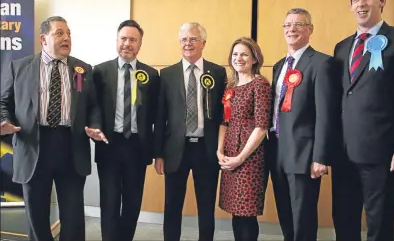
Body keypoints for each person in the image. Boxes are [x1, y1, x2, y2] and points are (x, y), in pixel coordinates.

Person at [0, 16, 107, 241]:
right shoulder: (20, 67)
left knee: (73, 215)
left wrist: (95, 126)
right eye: (59, 33)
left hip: (71, 146)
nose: (66, 38)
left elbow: (93, 105)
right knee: (37, 215)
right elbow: (3, 101)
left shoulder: (82, 69)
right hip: (33, 146)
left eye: (68, 33)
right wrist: (4, 121)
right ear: (43, 39)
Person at [332, 0, 394, 241]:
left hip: (380, 152)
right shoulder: (341, 47)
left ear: (382, 1)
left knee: (379, 221)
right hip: (343, 152)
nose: (362, 3)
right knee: (344, 219)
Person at [265, 8, 337, 241]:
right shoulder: (279, 65)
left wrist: (320, 157)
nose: (292, 29)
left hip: (304, 154)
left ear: (310, 29)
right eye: (287, 25)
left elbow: (326, 114)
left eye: (298, 24)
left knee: (302, 217)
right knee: (285, 213)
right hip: (276, 150)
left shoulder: (322, 63)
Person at [154, 22, 226, 241]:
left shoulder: (218, 72)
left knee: (206, 206)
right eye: (184, 39)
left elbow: (224, 114)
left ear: (203, 42)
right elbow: (160, 117)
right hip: (176, 149)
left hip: (207, 149)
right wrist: (158, 154)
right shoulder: (166, 74)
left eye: (193, 39)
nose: (188, 43)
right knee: (172, 205)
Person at [92, 20, 159, 241]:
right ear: (116, 40)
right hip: (109, 145)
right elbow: (92, 107)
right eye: (123, 39)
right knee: (109, 202)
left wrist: (157, 151)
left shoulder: (151, 74)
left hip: (137, 148)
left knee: (132, 203)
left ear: (140, 44)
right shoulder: (100, 71)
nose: (127, 44)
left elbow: (157, 115)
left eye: (133, 40)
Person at [218, 37, 271, 241]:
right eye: (235, 54)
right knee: (235, 210)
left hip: (250, 157)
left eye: (244, 54)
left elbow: (261, 126)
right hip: (230, 153)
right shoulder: (231, 86)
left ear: (255, 59)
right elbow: (224, 122)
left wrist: (240, 157)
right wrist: (219, 151)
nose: (238, 58)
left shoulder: (260, 84)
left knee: (247, 213)